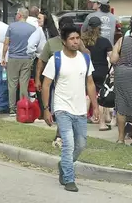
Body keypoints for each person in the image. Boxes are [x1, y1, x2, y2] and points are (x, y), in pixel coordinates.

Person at [41, 25, 98, 193]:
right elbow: (46, 85)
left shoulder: (85, 58)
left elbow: (90, 83)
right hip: (62, 107)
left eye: (77, 38)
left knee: (81, 144)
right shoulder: (56, 59)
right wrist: (46, 109)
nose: (75, 41)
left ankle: (64, 165)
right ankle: (69, 179)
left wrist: (95, 107)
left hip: (80, 109)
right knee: (69, 144)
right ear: (64, 41)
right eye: (72, 39)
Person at [36, 15, 89, 147]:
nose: (74, 40)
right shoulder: (51, 43)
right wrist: (37, 79)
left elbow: (87, 56)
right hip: (56, 82)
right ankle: (61, 135)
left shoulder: (77, 43)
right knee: (61, 110)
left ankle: (69, 136)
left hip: (75, 82)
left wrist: (80, 45)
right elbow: (41, 61)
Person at [110, 15, 132, 145]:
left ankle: (120, 138)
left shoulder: (122, 40)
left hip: (121, 73)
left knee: (121, 105)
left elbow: (113, 59)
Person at [1, 7, 38, 114]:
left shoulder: (11, 27)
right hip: (26, 58)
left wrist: (3, 57)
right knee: (24, 83)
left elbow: (6, 43)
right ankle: (23, 105)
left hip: (13, 58)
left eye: (17, 13)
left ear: (20, 15)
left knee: (12, 83)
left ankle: (12, 108)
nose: (16, 15)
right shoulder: (32, 29)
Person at [81, 16, 113, 130]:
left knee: (87, 95)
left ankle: (83, 120)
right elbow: (112, 57)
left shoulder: (82, 41)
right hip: (102, 71)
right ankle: (102, 123)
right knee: (101, 96)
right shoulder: (105, 41)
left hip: (87, 70)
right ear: (100, 27)